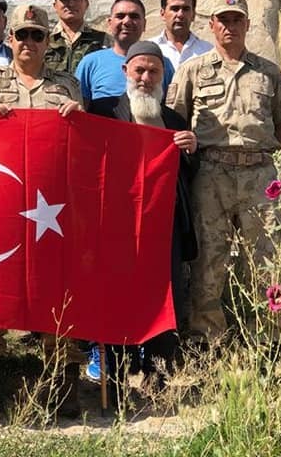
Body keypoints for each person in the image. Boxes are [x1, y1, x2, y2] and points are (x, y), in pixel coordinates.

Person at [0, 3, 84, 418]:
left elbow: (82, 147)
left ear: (48, 41)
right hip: (1, 200)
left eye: (38, 35)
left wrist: (80, 118)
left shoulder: (67, 87)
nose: (29, 43)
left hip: (52, 205)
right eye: (22, 35)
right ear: (10, 39)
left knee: (57, 282)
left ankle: (62, 375)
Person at [166, 0, 281, 343]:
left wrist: (259, 152)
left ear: (248, 25)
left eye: (237, 20)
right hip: (211, 175)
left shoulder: (268, 72)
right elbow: (174, 119)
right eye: (223, 20)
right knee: (209, 259)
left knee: (265, 258)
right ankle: (209, 338)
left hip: (258, 176)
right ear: (212, 25)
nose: (230, 26)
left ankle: (264, 338)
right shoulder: (193, 70)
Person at [88, 41, 198, 386]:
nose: (146, 78)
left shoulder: (174, 120)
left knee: (163, 299)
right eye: (140, 70)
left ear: (164, 75)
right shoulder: (103, 114)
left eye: (154, 71)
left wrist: (191, 149)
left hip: (163, 229)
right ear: (126, 72)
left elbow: (188, 175)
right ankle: (118, 376)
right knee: (117, 299)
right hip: (116, 228)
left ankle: (157, 375)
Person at [75, 0, 174, 102]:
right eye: (120, 16)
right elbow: (80, 107)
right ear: (110, 23)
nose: (127, 22)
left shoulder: (162, 64)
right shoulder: (90, 63)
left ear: (144, 24)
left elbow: (171, 108)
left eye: (134, 16)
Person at [44, 0, 109, 74]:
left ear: (86, 4)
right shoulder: (43, 40)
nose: (71, 3)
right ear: (55, 6)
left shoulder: (103, 40)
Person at [150, 0, 213, 69]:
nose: (180, 14)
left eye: (186, 9)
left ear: (193, 14)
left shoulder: (208, 51)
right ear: (162, 14)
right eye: (175, 9)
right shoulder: (150, 49)